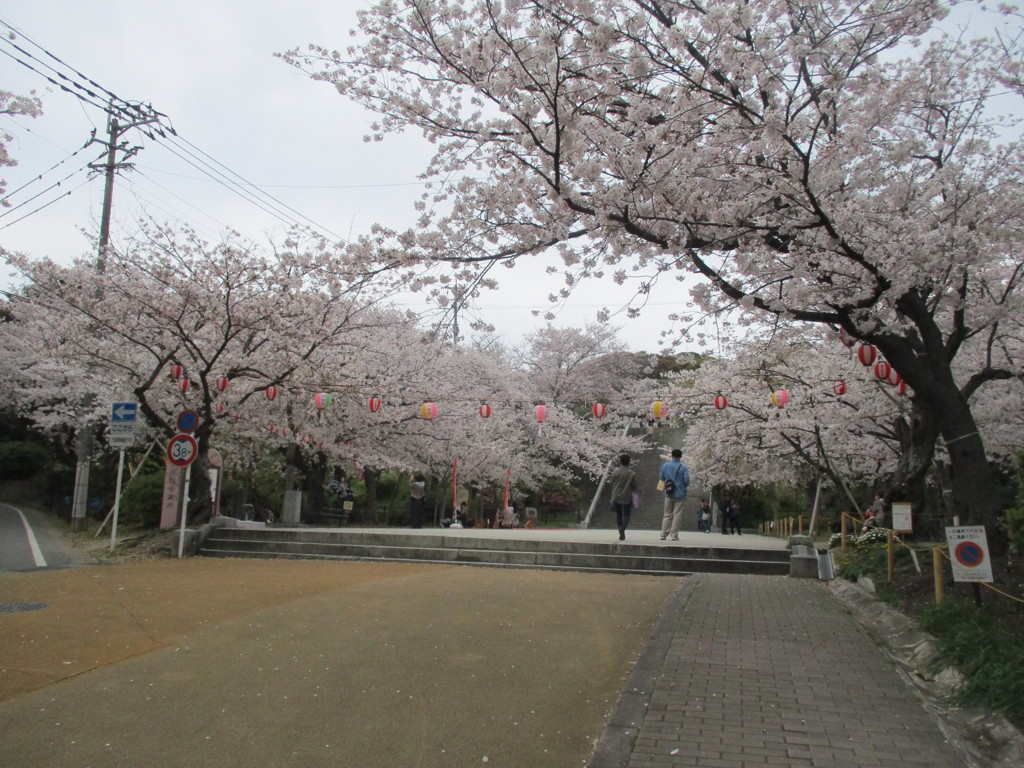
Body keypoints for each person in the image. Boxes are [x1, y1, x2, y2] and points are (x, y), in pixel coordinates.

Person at [659, 448, 690, 541]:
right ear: (680, 457)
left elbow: (661, 477)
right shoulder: (683, 467)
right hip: (680, 494)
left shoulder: (665, 466)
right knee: (677, 514)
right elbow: (686, 480)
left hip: (669, 493)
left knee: (667, 514)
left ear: (671, 456)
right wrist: (682, 485)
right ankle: (674, 535)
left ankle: (663, 534)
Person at [608, 454, 638, 541]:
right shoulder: (632, 474)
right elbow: (634, 487)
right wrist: (636, 499)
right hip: (627, 496)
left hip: (616, 496)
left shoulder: (615, 472)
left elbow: (611, 483)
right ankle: (623, 528)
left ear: (620, 461)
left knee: (619, 514)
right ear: (629, 462)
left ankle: (620, 529)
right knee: (627, 514)